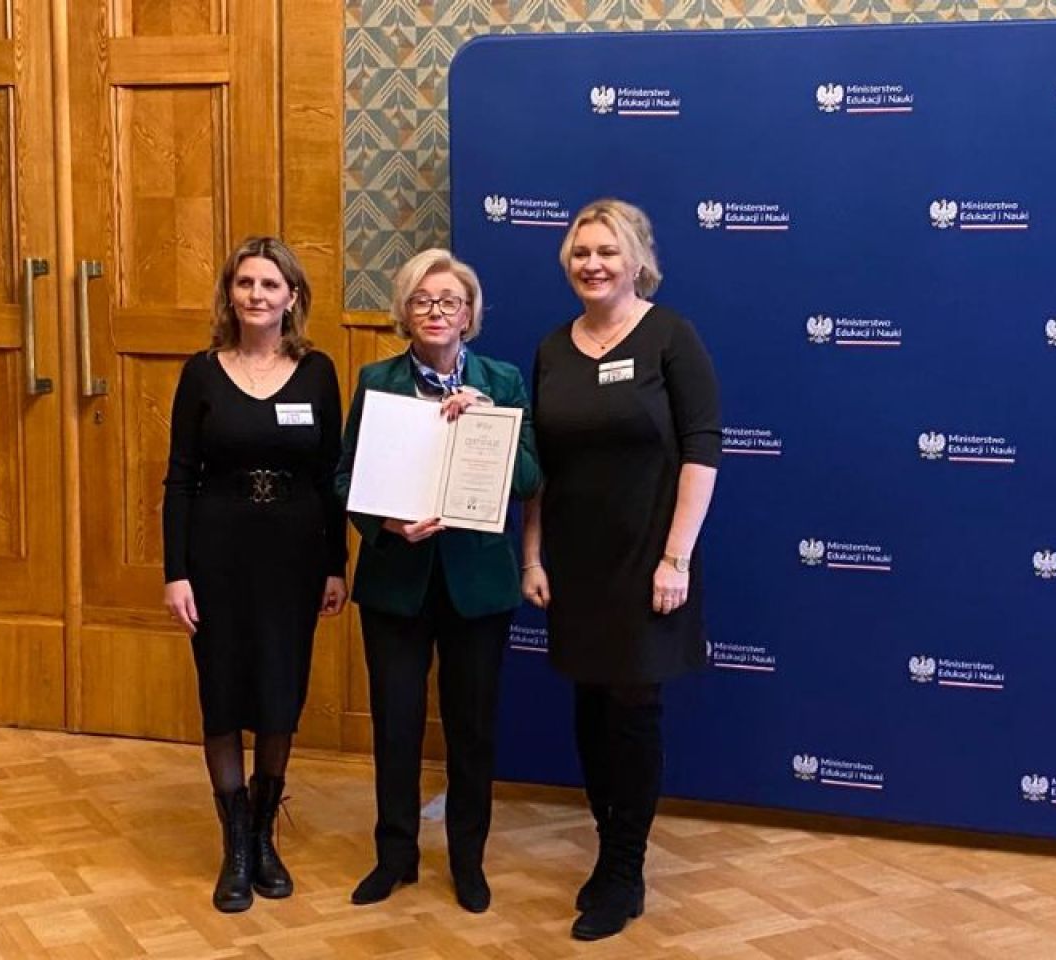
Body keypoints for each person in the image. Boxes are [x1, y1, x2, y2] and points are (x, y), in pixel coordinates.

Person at [521, 199, 720, 941]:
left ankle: (624, 869)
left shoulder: (670, 335)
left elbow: (702, 448)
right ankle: (609, 851)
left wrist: (677, 557)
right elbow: (539, 466)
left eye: (607, 251)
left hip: (648, 560)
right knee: (591, 710)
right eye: (581, 252)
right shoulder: (552, 348)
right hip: (576, 562)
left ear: (637, 260)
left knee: (633, 714)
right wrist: (531, 555)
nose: (593, 264)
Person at [335, 248, 542, 913]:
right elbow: (344, 477)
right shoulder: (376, 380)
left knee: (472, 729)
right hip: (395, 583)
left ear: (469, 312)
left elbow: (531, 479)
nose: (436, 311)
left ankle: (467, 861)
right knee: (396, 726)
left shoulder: (502, 380)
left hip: (477, 586)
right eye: (422, 300)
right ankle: (395, 856)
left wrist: (489, 423)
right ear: (405, 310)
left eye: (450, 301)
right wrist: (385, 522)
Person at [162, 236, 348, 913]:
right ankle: (235, 846)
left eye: (270, 284)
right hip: (217, 554)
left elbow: (331, 476)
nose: (257, 295)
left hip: (294, 557)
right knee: (221, 692)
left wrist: (337, 565)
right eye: (245, 283)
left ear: (292, 296)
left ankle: (266, 835)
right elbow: (180, 478)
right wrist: (175, 572)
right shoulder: (202, 373)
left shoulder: (318, 371)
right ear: (230, 294)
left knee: (278, 690)